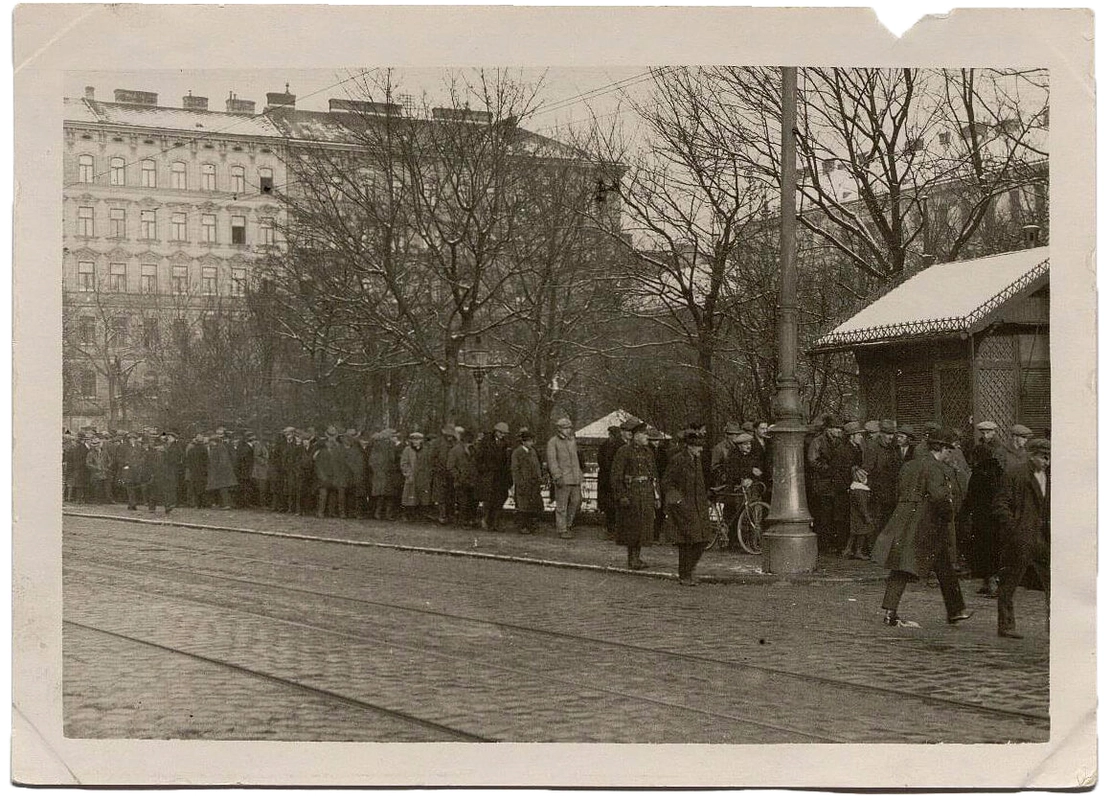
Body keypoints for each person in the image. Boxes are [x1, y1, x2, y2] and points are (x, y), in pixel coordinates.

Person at [872, 427, 972, 628]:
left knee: (916, 565)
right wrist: (950, 514)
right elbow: (939, 497)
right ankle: (952, 611)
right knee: (911, 566)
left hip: (904, 520)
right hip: (926, 524)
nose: (950, 455)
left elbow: (897, 490)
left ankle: (955, 611)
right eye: (948, 451)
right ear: (941, 449)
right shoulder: (937, 469)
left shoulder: (909, 465)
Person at [993, 437, 1050, 639]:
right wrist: (1014, 529)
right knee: (1009, 582)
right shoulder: (1015, 474)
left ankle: (1055, 625)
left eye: (1049, 458)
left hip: (1043, 537)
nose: (1046, 462)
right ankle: (1006, 625)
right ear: (1031, 455)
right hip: (1020, 537)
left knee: (1052, 583)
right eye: (1043, 457)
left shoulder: (1050, 476)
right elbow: (1000, 504)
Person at [662, 430, 712, 585]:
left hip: (698, 507)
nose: (701, 449)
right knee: (687, 542)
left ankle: (688, 571)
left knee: (702, 540)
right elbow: (667, 483)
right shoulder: (678, 460)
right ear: (690, 446)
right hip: (684, 508)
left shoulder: (696, 460)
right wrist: (678, 502)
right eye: (698, 446)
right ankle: (685, 575)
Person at [610, 418, 659, 570]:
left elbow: (654, 475)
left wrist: (657, 496)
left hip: (645, 494)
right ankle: (632, 559)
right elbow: (616, 476)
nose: (646, 437)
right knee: (632, 528)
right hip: (631, 494)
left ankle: (637, 557)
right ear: (636, 435)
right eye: (644, 434)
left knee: (643, 527)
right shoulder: (623, 451)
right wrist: (621, 495)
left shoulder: (648, 452)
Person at [965, 420, 1007, 597]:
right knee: (988, 547)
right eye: (982, 432)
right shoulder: (995, 471)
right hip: (990, 514)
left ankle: (992, 583)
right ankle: (987, 581)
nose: (984, 434)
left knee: (988, 548)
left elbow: (972, 495)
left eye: (987, 432)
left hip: (985, 515)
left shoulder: (982, 472)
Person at [546, 416, 583, 539]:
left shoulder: (572, 441)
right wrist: (557, 476)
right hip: (563, 478)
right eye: (565, 428)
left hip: (575, 479)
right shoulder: (553, 442)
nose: (568, 430)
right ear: (559, 429)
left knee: (575, 502)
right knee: (561, 505)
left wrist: (579, 474)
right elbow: (552, 461)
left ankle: (568, 524)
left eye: (569, 428)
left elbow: (577, 460)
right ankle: (562, 528)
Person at [476, 422, 513, 531]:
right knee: (489, 500)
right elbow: (478, 459)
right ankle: (486, 521)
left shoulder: (506, 444)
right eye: (501, 433)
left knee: (500, 499)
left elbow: (507, 461)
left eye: (504, 433)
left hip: (501, 476)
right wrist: (485, 469)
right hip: (489, 475)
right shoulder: (486, 442)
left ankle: (496, 523)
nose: (502, 435)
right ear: (496, 431)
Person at [511, 428, 544, 534]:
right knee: (523, 506)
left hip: (533, 483)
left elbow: (537, 466)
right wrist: (519, 482)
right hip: (523, 483)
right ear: (524, 441)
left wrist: (539, 478)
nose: (531, 443)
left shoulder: (533, 451)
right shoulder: (517, 452)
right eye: (529, 441)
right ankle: (522, 526)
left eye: (532, 441)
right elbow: (515, 469)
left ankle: (531, 525)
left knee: (533, 505)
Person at [595, 425, 624, 537]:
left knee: (611, 505)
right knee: (611, 504)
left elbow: (601, 461)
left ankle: (611, 528)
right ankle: (612, 528)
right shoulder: (618, 445)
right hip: (608, 479)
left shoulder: (609, 445)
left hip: (608, 478)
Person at [447, 428, 478, 527]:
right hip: (461, 481)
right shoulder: (455, 450)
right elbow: (450, 466)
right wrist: (458, 476)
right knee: (462, 502)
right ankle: (462, 521)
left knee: (473, 502)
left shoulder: (474, 449)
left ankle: (470, 520)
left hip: (472, 480)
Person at [400, 431, 433, 521]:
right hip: (412, 476)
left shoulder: (426, 450)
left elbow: (429, 463)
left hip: (423, 476)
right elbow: (404, 463)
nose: (416, 441)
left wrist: (428, 474)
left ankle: (421, 515)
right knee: (410, 496)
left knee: (423, 496)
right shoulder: (407, 450)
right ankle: (408, 515)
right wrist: (408, 473)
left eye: (418, 439)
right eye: (414, 439)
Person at [430, 425, 457, 525]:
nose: (450, 436)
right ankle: (442, 516)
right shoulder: (437, 443)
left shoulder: (455, 443)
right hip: (440, 473)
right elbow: (432, 457)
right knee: (441, 496)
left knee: (451, 495)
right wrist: (438, 468)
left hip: (452, 473)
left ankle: (451, 515)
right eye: (448, 433)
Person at [206, 428, 237, 510]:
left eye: (211, 441)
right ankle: (224, 503)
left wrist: (218, 469)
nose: (210, 443)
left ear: (214, 441)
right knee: (221, 488)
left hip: (223, 471)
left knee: (223, 488)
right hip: (220, 471)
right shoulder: (217, 448)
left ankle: (227, 504)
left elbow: (223, 460)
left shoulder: (220, 448)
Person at [85, 436, 110, 503]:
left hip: (104, 472)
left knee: (105, 487)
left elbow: (109, 461)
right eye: (95, 445)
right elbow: (88, 463)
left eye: (98, 444)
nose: (97, 446)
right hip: (95, 473)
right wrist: (96, 468)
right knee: (97, 487)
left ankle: (106, 499)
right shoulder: (90, 454)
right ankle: (97, 500)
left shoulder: (105, 453)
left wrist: (107, 467)